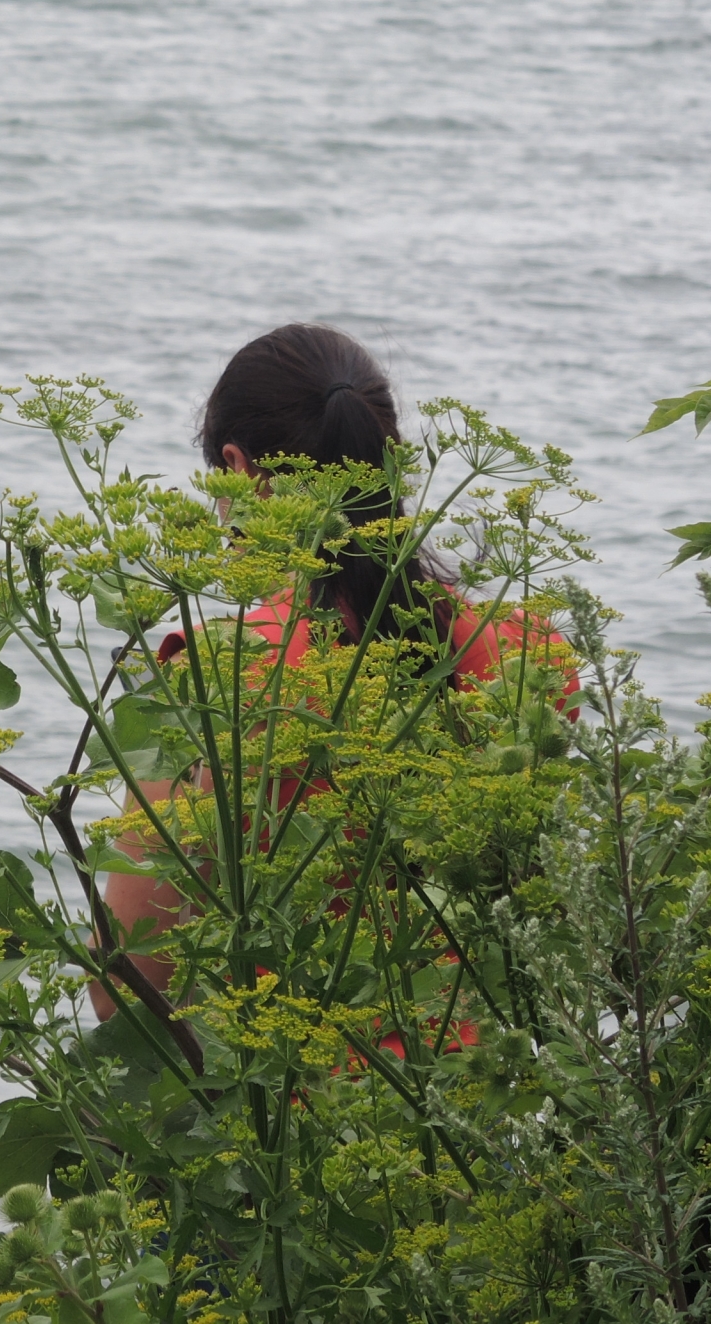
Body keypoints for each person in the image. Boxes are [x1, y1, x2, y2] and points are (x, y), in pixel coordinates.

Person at [94, 324, 567, 1017]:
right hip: (505, 1089)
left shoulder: (215, 676)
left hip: (301, 1094)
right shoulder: (533, 655)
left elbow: (130, 989)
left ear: (236, 467)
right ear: (391, 458)